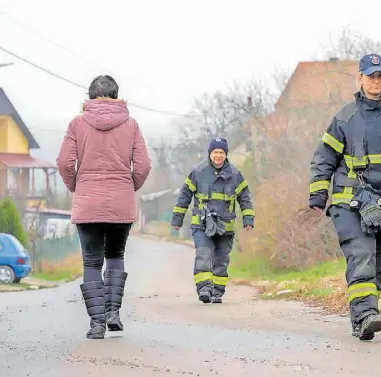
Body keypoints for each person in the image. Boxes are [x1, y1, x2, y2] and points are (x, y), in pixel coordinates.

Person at [308, 53, 381, 341]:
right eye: (370, 75)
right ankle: (366, 315)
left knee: (374, 263)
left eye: (380, 75)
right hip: (348, 204)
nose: (376, 80)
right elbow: (324, 157)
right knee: (361, 255)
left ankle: (361, 319)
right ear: (359, 78)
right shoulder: (344, 118)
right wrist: (318, 193)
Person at [56, 75, 152, 340]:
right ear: (117, 95)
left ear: (90, 97)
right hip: (121, 201)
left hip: (88, 201)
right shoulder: (131, 125)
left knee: (91, 261)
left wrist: (78, 185)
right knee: (115, 256)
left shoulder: (77, 123)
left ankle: (97, 323)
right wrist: (128, 185)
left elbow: (64, 162)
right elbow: (143, 165)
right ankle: (113, 314)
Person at [171, 137, 254, 304]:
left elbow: (245, 198)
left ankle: (217, 292)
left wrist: (248, 219)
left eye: (221, 152)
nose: (218, 155)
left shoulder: (235, 174)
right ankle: (204, 289)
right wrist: (177, 219)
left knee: (221, 260)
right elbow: (184, 196)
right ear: (210, 153)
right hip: (202, 224)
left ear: (226, 154)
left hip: (226, 226)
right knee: (204, 254)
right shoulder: (198, 172)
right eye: (215, 152)